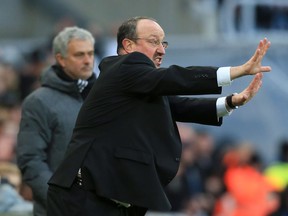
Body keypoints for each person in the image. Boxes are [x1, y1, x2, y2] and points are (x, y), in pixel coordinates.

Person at [47, 16, 271, 216]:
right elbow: (175, 77)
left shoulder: (141, 85)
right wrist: (236, 71)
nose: (162, 50)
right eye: (153, 41)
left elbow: (179, 105)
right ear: (128, 45)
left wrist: (232, 102)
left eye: (163, 42)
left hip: (107, 199)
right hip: (84, 198)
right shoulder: (125, 66)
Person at [16, 26, 96, 216]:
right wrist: (61, 199)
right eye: (79, 55)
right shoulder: (38, 102)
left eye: (90, 53)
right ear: (61, 59)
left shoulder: (104, 97)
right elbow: (31, 160)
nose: (87, 60)